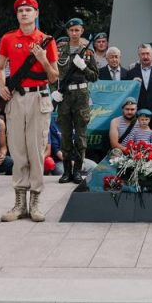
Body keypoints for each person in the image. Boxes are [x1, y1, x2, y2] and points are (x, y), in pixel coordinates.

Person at [0, 0, 59, 223]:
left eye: (28, 10)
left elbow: (54, 77)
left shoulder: (46, 40)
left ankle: (35, 202)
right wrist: (2, 86)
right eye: (21, 10)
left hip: (39, 96)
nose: (24, 13)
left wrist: (42, 59)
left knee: (36, 149)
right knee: (18, 149)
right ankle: (19, 203)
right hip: (15, 98)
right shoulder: (8, 39)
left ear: (36, 13)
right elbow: (0, 67)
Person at [54, 18, 98, 185]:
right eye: (71, 30)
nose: (74, 33)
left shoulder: (87, 52)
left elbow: (94, 76)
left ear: (82, 31)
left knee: (80, 136)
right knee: (65, 135)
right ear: (67, 32)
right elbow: (53, 74)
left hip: (81, 95)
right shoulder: (60, 50)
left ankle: (77, 171)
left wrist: (84, 67)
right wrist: (54, 92)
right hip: (64, 96)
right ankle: (66, 171)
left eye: (77, 30)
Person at [125, 43, 152, 135]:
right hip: (137, 112)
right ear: (139, 55)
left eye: (148, 53)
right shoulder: (130, 73)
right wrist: (132, 84)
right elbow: (127, 93)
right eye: (143, 54)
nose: (145, 56)